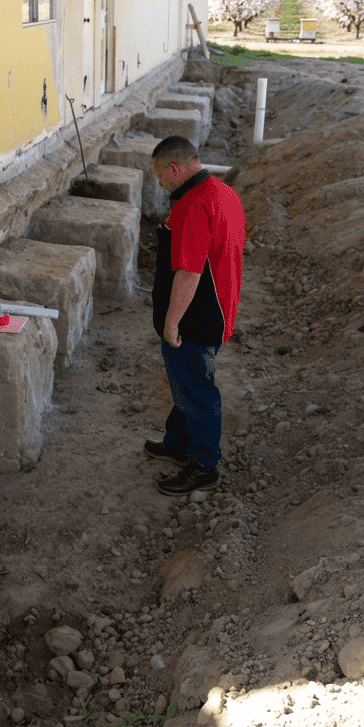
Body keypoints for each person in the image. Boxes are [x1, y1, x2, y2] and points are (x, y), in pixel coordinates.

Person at [146, 135, 246, 495]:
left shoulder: (194, 205)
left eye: (160, 175)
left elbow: (189, 273)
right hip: (217, 308)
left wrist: (171, 321)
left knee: (196, 390)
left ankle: (204, 465)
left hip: (197, 317)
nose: (159, 182)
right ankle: (178, 442)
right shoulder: (223, 192)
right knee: (184, 382)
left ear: (174, 168)